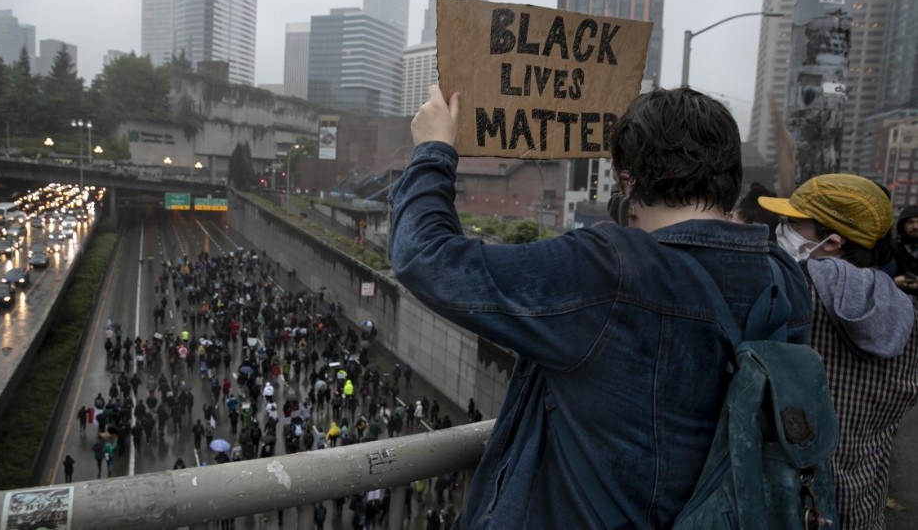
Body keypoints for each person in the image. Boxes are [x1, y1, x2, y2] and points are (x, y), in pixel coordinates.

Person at [388, 86, 813, 527]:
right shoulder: (784, 278)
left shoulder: (610, 271)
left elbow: (427, 257)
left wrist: (434, 151)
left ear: (627, 180)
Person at [759, 174, 918, 528]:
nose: (781, 229)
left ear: (832, 241)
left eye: (793, 223)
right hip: (862, 507)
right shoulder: (910, 316)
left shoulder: (786, 299)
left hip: (789, 507)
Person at [893, 205, 918, 295]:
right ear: (903, 225)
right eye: (911, 222)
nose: (915, 227)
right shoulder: (891, 249)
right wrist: (893, 281)